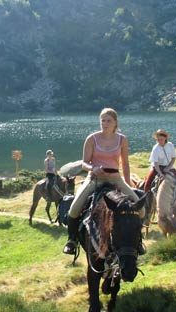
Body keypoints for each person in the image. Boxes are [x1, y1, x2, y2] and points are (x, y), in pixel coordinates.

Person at [63, 108, 141, 256]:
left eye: (108, 121)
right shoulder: (92, 138)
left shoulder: (122, 139)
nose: (105, 123)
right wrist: (93, 168)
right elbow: (84, 163)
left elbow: (125, 164)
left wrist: (128, 184)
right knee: (74, 209)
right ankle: (72, 240)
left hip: (115, 179)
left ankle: (138, 241)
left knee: (140, 208)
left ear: (115, 123)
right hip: (95, 179)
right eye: (103, 120)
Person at [144, 129, 176, 208]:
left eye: (161, 139)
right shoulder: (155, 148)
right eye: (158, 139)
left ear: (165, 138)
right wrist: (160, 173)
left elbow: (173, 158)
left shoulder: (170, 145)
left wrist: (168, 167)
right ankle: (146, 204)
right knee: (147, 184)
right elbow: (155, 163)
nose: (159, 141)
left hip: (169, 167)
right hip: (157, 168)